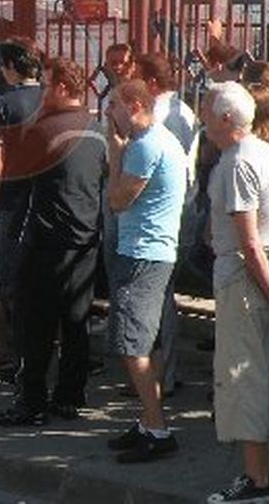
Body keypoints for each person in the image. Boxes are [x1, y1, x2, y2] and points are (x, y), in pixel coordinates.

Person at [0, 57, 106, 426]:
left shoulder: (42, 130)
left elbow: (16, 187)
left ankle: (32, 402)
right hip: (85, 242)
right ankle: (70, 396)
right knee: (76, 324)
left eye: (46, 85)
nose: (42, 92)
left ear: (60, 87)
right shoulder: (97, 128)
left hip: (44, 242)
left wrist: (6, 233)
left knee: (34, 326)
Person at [200, 82, 269, 503]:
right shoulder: (264, 153)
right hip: (261, 277)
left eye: (206, 107)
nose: (201, 113)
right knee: (262, 375)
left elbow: (249, 239)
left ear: (225, 118)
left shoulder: (238, 161)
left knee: (242, 379)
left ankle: (256, 480)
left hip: (244, 280)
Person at [101, 78, 188, 462]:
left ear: (134, 105)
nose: (109, 113)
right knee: (142, 344)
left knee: (132, 346)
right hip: (147, 251)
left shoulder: (146, 145)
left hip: (143, 254)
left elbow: (118, 200)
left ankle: (157, 429)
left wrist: (114, 151)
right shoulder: (157, 141)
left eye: (114, 105)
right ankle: (148, 421)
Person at [135, 51, 199, 395]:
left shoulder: (157, 116)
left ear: (153, 82)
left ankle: (161, 375)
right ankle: (164, 371)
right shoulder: (185, 109)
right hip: (183, 210)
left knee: (158, 298)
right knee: (164, 295)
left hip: (162, 216)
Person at [0, 38, 45, 377]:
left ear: (9, 67)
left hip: (12, 199)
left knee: (12, 281)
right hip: (47, 199)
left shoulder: (2, 105)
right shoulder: (49, 98)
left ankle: (19, 356)